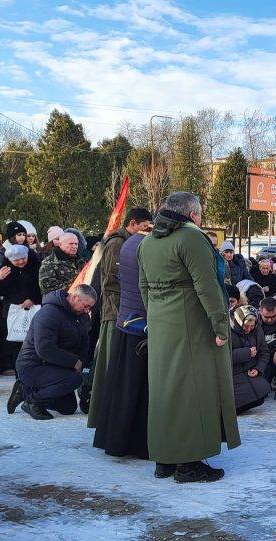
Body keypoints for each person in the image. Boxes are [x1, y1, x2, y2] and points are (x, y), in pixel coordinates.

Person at [138, 191, 240, 483]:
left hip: (161, 322)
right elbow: (207, 287)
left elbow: (143, 287)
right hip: (190, 322)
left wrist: (157, 318)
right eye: (201, 213)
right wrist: (221, 327)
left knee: (164, 391)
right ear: (192, 214)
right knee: (192, 391)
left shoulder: (147, 242)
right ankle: (189, 464)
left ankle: (165, 460)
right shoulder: (191, 238)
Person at [86, 208, 153, 422]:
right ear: (132, 224)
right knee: (110, 365)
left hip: (125, 313)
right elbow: (113, 282)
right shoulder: (117, 244)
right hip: (116, 314)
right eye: (144, 228)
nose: (147, 232)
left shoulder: (129, 242)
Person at [92, 228, 152, 459]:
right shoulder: (142, 246)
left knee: (122, 387)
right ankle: (135, 443)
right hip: (139, 324)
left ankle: (115, 440)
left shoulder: (128, 244)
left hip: (126, 321)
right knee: (135, 389)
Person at [8, 285, 96, 420]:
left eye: (90, 307)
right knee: (74, 380)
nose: (87, 310)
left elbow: (84, 343)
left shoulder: (80, 316)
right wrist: (73, 362)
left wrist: (81, 362)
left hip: (55, 365)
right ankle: (32, 401)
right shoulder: (49, 313)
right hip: (33, 366)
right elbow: (45, 349)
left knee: (68, 408)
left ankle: (25, 390)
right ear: (74, 297)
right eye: (86, 306)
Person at [0, 243, 42, 376]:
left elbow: (42, 287)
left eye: (23, 258)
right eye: (16, 260)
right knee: (15, 344)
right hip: (13, 312)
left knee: (33, 343)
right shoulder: (4, 270)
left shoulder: (36, 267)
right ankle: (19, 374)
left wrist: (33, 298)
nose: (21, 262)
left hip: (34, 309)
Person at [228, 305, 271, 414]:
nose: (249, 329)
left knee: (262, 393)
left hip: (248, 371)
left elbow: (264, 351)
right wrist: (246, 353)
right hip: (232, 374)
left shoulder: (257, 329)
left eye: (252, 326)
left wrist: (258, 369)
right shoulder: (226, 330)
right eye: (246, 326)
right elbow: (222, 357)